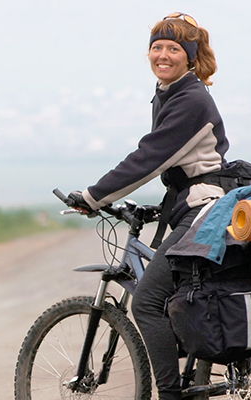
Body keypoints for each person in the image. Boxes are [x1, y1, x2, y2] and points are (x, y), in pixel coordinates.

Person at [66, 12, 230, 400]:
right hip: (193, 206)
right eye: (157, 47)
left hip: (203, 211)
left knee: (146, 302)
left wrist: (94, 197)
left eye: (174, 48)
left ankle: (170, 394)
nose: (163, 54)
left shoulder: (190, 99)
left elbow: (149, 158)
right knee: (172, 297)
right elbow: (178, 167)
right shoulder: (170, 93)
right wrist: (159, 208)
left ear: (190, 58)